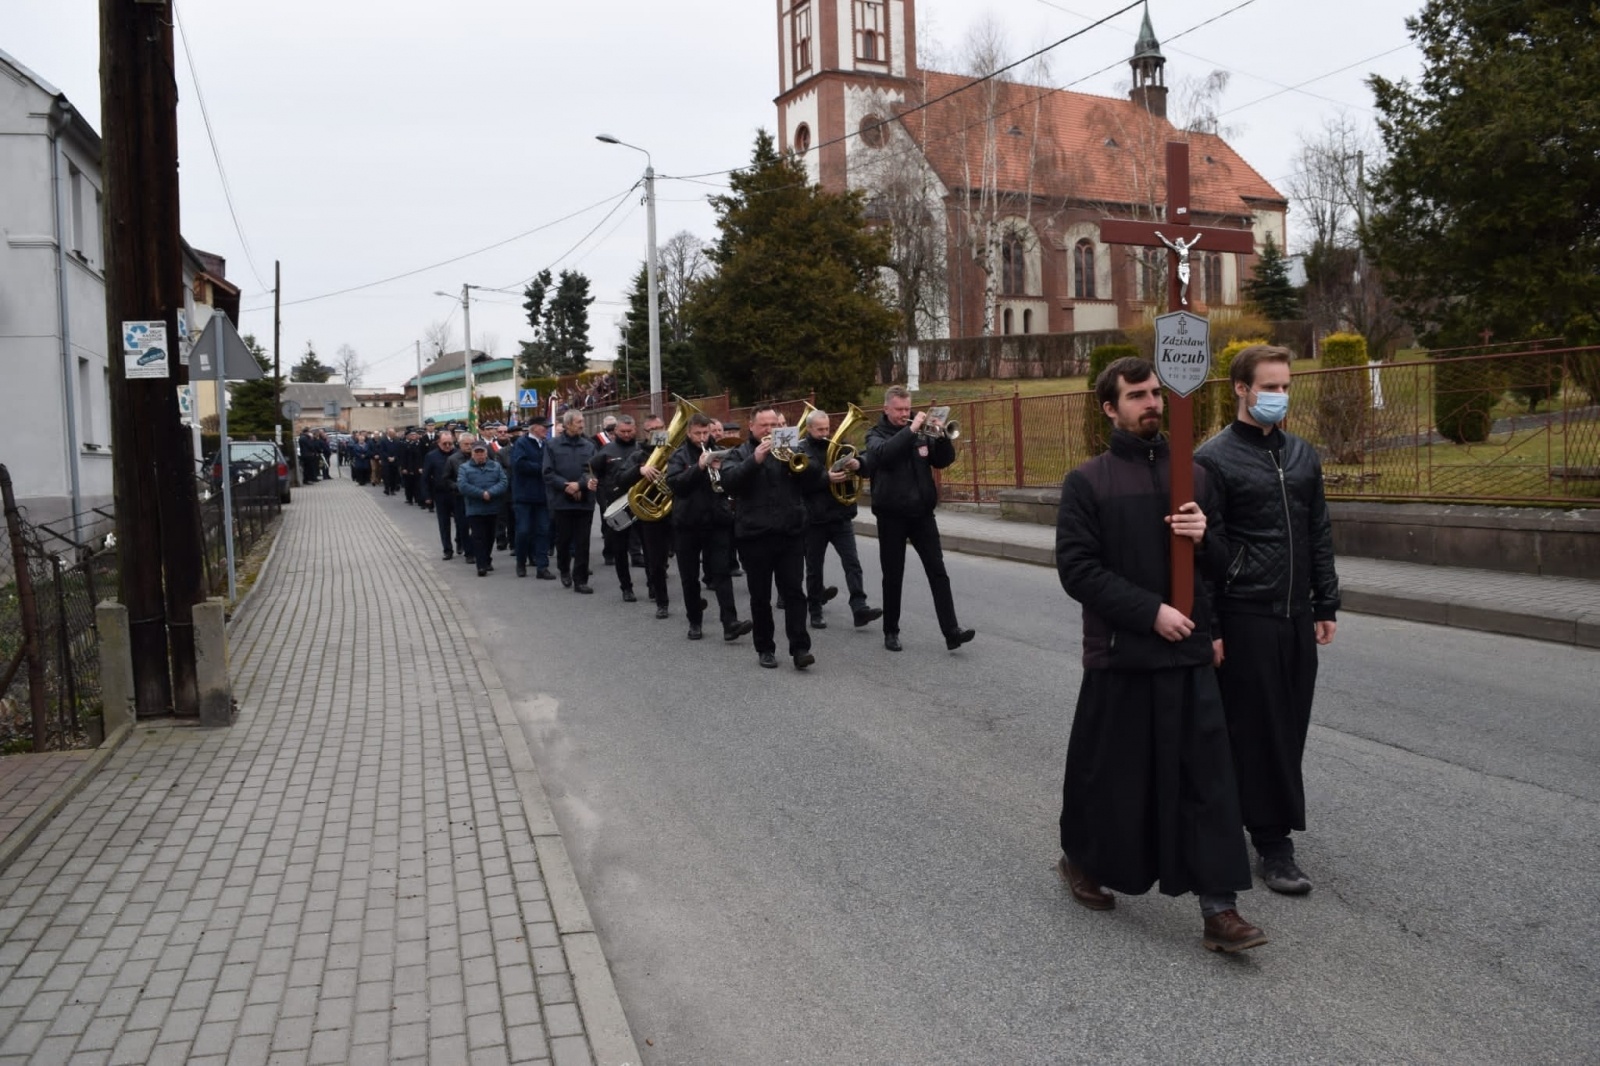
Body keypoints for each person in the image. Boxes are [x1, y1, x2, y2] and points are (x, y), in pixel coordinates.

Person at [1054, 355, 1263, 954]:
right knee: (1111, 776)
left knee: (1208, 780)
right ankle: (1082, 862)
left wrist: (1206, 543)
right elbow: (1078, 570)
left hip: (1191, 653)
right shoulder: (1088, 482)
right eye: (1138, 395)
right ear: (1110, 408)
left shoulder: (1194, 476)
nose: (1151, 403)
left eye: (1156, 393)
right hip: (1124, 654)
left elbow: (1224, 566)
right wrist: (1150, 612)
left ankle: (1219, 907)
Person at [1196, 344, 1341, 895]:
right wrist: (1211, 628)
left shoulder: (1303, 455)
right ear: (1241, 388)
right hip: (1245, 614)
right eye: (1269, 387)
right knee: (1252, 730)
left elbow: (1318, 531)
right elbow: (1206, 549)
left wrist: (1325, 602)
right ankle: (1273, 845)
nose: (1279, 396)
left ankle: (1264, 827)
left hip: (1296, 614)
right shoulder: (1213, 459)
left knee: (1289, 725)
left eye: (1285, 387)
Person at [860, 386, 975, 653]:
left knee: (938, 572)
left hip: (922, 514)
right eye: (899, 409)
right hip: (891, 516)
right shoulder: (875, 435)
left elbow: (943, 461)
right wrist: (910, 430)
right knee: (893, 575)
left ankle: (951, 631)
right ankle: (891, 631)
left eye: (907, 408)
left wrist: (942, 436)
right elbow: (884, 455)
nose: (904, 413)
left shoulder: (921, 433)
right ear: (886, 409)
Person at [720, 405, 825, 670]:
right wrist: (754, 460)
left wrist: (797, 462)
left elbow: (816, 476)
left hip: (790, 532)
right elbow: (729, 481)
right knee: (760, 597)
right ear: (752, 427)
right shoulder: (739, 453)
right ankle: (765, 647)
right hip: (754, 535)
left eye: (775, 426)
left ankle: (800, 649)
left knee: (794, 594)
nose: (770, 430)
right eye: (765, 426)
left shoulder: (791, 449)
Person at [666, 414, 751, 642]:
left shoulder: (723, 452)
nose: (703, 437)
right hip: (687, 524)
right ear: (688, 433)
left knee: (722, 574)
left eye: (706, 433)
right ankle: (695, 621)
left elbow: (733, 481)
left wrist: (723, 470)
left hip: (717, 522)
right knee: (689, 576)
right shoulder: (678, 456)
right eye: (698, 433)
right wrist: (699, 467)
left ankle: (730, 623)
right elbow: (676, 485)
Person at [798, 409, 882, 630]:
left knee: (852, 563)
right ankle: (815, 609)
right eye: (820, 429)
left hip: (840, 516)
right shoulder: (801, 449)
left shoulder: (838, 445)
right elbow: (800, 483)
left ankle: (859, 607)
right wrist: (826, 478)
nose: (826, 433)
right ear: (809, 429)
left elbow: (861, 458)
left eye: (827, 428)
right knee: (815, 567)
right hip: (814, 519)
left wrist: (858, 463)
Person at [543, 410, 599, 593]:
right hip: (562, 500)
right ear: (567, 425)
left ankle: (580, 580)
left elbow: (592, 470)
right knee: (564, 540)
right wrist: (566, 486)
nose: (582, 425)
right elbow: (548, 472)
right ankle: (564, 569)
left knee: (583, 542)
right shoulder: (552, 445)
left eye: (582, 421)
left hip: (584, 500)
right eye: (577, 422)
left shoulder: (589, 445)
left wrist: (579, 485)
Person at [592, 415, 645, 603]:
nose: (627, 434)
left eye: (630, 431)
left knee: (649, 544)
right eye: (623, 431)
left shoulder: (642, 449)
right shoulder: (606, 451)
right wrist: (602, 497)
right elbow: (591, 470)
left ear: (635, 430)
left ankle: (654, 585)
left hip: (642, 502)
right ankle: (626, 587)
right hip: (617, 503)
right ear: (615, 431)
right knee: (620, 549)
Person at [510, 417, 554, 579]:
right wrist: (543, 469)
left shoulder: (547, 444)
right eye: (544, 427)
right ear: (534, 428)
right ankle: (521, 562)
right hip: (524, 496)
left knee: (543, 531)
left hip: (542, 496)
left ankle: (542, 567)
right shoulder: (521, 443)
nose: (547, 430)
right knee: (523, 531)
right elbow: (519, 465)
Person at [458, 442, 508, 576]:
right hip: (475, 508)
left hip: (492, 507)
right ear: (472, 454)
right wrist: (481, 494)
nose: (480, 455)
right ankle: (481, 565)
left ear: (486, 453)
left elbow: (503, 482)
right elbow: (462, 485)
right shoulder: (464, 468)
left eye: (482, 452)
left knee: (490, 535)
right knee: (478, 536)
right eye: (477, 453)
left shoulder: (495, 466)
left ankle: (487, 558)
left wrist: (490, 493)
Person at [421, 432, 462, 560]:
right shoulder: (431, 456)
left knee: (461, 522)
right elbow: (425, 477)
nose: (448, 446)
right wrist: (427, 496)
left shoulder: (458, 454)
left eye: (450, 443)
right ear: (438, 443)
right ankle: (447, 549)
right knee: (444, 524)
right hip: (441, 494)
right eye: (445, 443)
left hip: (457, 494)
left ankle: (460, 542)